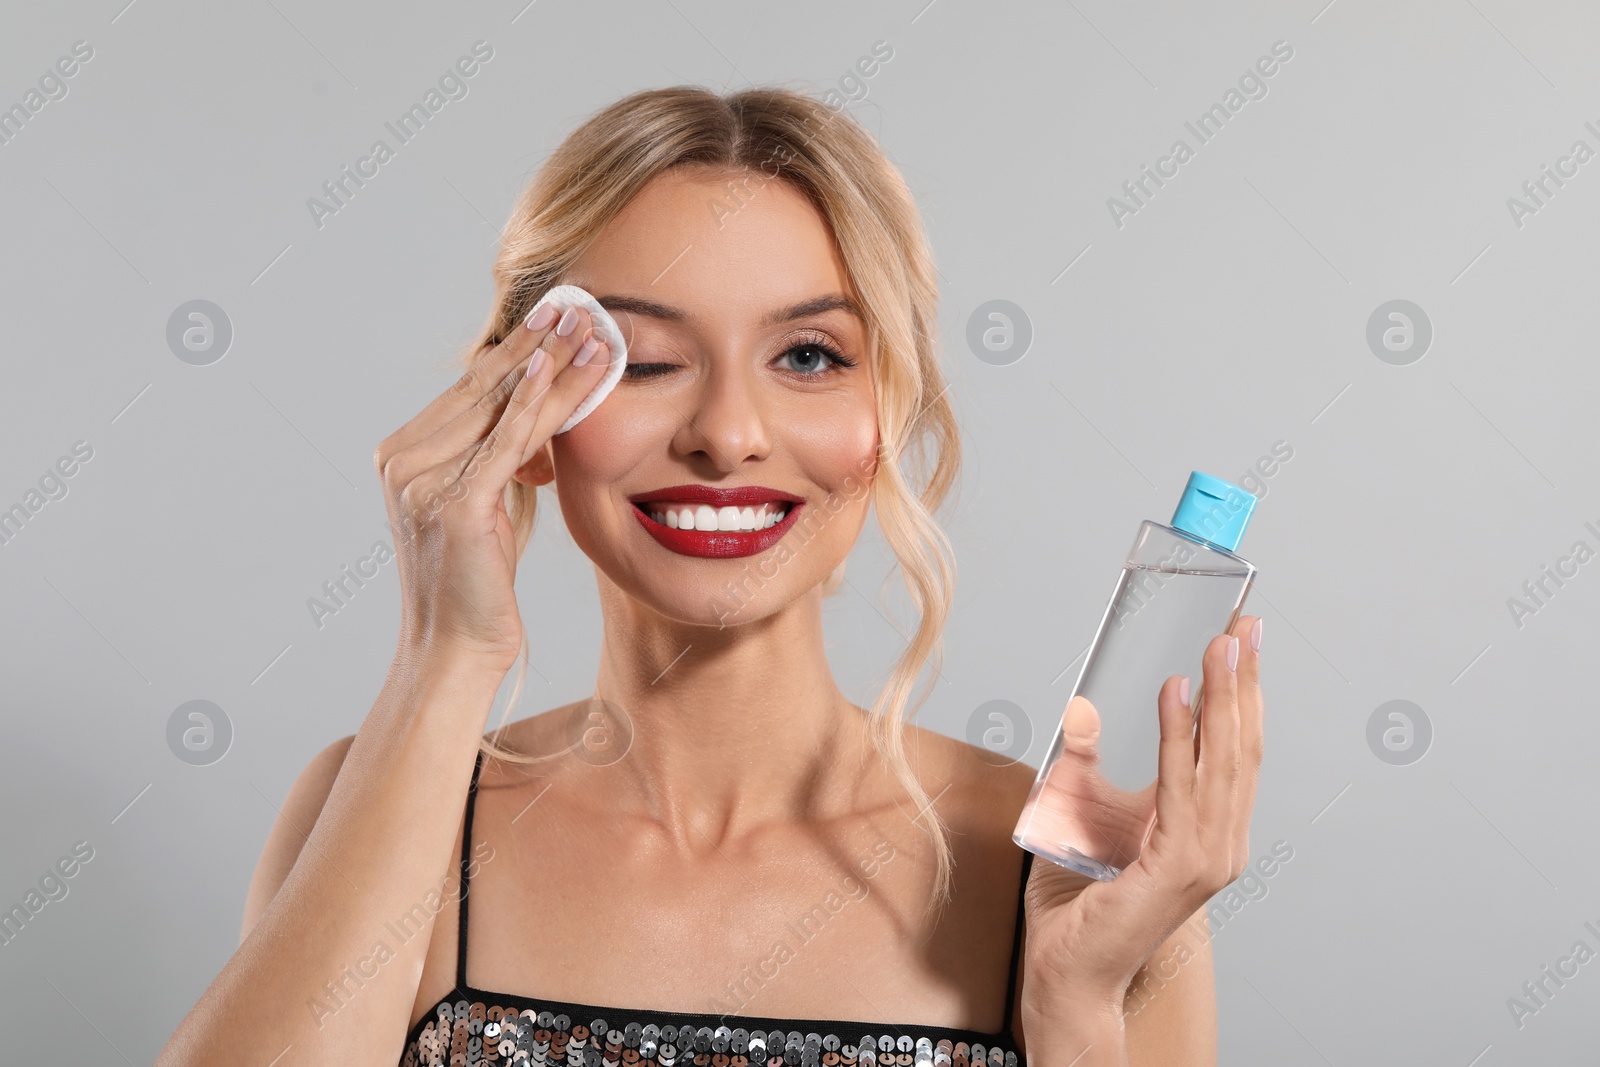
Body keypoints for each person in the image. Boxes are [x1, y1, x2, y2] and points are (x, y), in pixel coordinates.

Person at [157, 85, 1264, 1067]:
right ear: (523, 413)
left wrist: (1075, 1015)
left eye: (810, 356)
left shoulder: (1075, 875)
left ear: (891, 414)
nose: (728, 433)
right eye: (641, 360)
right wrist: (446, 663)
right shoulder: (387, 804)